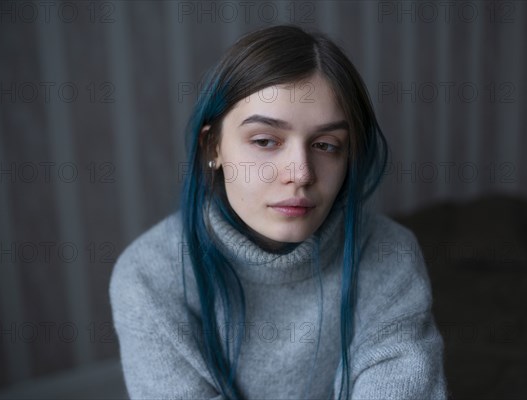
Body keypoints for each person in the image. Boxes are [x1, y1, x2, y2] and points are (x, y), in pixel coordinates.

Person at [109, 25, 447, 400]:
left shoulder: (389, 254)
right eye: (266, 141)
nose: (300, 173)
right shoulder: (149, 275)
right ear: (212, 148)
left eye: (326, 145)